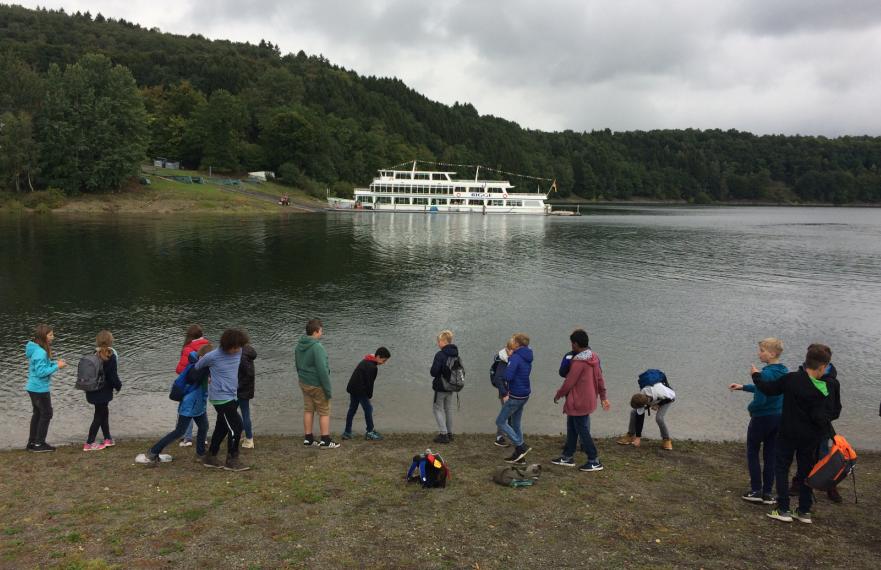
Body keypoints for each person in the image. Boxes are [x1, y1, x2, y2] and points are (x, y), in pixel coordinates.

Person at [754, 344, 839, 524]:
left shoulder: (791, 379)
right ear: (823, 366)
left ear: (806, 360)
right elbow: (835, 412)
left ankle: (783, 508)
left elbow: (768, 389)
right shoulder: (829, 385)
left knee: (782, 468)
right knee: (806, 472)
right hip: (812, 437)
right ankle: (804, 511)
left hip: (788, 433)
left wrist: (756, 376)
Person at [728, 338, 787, 505]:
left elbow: (760, 400)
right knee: (770, 454)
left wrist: (751, 409)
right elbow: (767, 388)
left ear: (772, 353)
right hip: (778, 418)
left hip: (762, 418)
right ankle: (768, 493)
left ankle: (756, 490)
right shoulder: (783, 371)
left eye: (762, 350)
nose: (759, 353)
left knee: (753, 451)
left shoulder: (765, 374)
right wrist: (743, 387)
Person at [142, 344, 212, 464]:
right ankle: (153, 452)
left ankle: (200, 453)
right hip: (190, 405)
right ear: (205, 358)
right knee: (179, 431)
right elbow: (193, 378)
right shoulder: (197, 368)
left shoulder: (201, 367)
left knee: (204, 426)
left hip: (198, 404)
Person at [551, 329, 610, 471]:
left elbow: (569, 382)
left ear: (576, 344)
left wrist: (558, 394)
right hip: (589, 399)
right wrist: (603, 397)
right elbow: (600, 379)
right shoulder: (594, 357)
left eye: (572, 343)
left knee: (582, 430)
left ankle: (594, 459)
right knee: (572, 427)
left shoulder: (578, 362)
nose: (571, 346)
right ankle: (567, 456)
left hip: (578, 401)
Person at [196, 328, 251, 471]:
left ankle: (210, 457)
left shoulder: (239, 351)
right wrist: (208, 376)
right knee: (237, 426)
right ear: (227, 345)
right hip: (220, 398)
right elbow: (197, 366)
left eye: (239, 346)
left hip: (232, 395)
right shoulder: (213, 356)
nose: (237, 349)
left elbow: (250, 353)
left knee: (222, 428)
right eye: (235, 347)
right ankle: (232, 460)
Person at [295, 318, 339, 448]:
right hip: (317, 384)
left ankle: (308, 438)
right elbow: (322, 370)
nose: (322, 333)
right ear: (315, 332)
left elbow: (297, 364)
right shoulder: (317, 347)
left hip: (304, 382)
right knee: (324, 411)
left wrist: (302, 377)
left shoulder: (299, 344)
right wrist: (328, 389)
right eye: (321, 331)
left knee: (308, 409)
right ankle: (325, 440)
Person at [25, 324, 66, 452]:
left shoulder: (36, 349)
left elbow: (41, 366)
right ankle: (39, 444)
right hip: (39, 389)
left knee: (38, 413)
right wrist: (57, 367)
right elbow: (41, 372)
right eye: (50, 335)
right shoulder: (41, 352)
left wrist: (54, 363)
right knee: (47, 413)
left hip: (34, 388)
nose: (52, 337)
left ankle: (32, 443)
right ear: (44, 336)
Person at [496, 333, 534, 463]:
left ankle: (520, 446)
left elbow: (508, 376)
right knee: (516, 423)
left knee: (500, 421)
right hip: (524, 394)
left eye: (514, 341)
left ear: (517, 344)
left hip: (515, 395)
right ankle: (519, 455)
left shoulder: (516, 357)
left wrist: (509, 363)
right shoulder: (527, 356)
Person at [83, 330, 123, 451]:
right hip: (103, 391)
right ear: (111, 342)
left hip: (92, 390)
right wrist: (118, 386)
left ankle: (107, 439)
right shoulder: (111, 356)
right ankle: (89, 443)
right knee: (99, 416)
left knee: (103, 413)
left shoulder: (93, 354)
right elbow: (112, 376)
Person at [342, 347, 391, 440]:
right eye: (384, 360)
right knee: (369, 409)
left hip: (352, 388)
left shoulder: (366, 360)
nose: (384, 363)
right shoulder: (372, 367)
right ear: (378, 356)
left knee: (352, 409)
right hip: (360, 390)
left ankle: (347, 432)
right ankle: (370, 432)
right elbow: (369, 384)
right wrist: (369, 396)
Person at [175, 325, 210, 447]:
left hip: (189, 385)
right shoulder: (208, 346)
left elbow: (181, 369)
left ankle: (187, 438)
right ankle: (203, 438)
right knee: (202, 409)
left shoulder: (188, 348)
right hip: (204, 384)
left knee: (186, 410)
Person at [430, 330, 460, 444]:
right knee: (448, 409)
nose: (438, 343)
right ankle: (449, 433)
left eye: (439, 341)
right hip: (451, 386)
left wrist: (434, 369)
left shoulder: (440, 354)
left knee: (437, 408)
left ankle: (443, 434)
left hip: (441, 386)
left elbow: (434, 372)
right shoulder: (456, 354)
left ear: (443, 341)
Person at [490, 339, 517, 447]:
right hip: (505, 391)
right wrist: (504, 393)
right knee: (505, 415)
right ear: (509, 349)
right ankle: (499, 437)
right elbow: (498, 378)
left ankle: (507, 435)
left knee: (509, 414)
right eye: (514, 350)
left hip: (510, 390)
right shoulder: (503, 360)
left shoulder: (510, 358)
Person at [238, 343, 258, 449]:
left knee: (244, 414)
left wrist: (238, 386)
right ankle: (242, 433)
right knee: (241, 412)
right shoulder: (248, 352)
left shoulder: (242, 355)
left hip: (241, 389)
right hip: (247, 388)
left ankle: (249, 439)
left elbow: (248, 374)